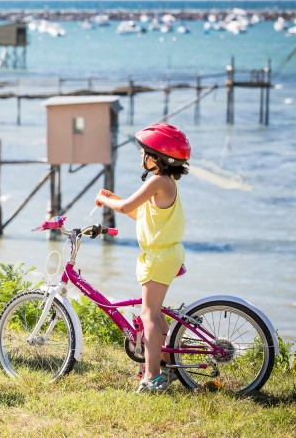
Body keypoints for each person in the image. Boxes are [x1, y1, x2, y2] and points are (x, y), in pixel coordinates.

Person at [95, 123, 190, 394]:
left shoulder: (158, 181)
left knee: (148, 314)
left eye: (145, 153)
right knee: (156, 313)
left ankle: (152, 375)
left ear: (159, 158)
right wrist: (114, 199)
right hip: (163, 253)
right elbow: (140, 214)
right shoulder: (165, 184)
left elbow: (125, 207)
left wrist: (107, 201)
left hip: (159, 256)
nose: (142, 157)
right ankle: (167, 364)